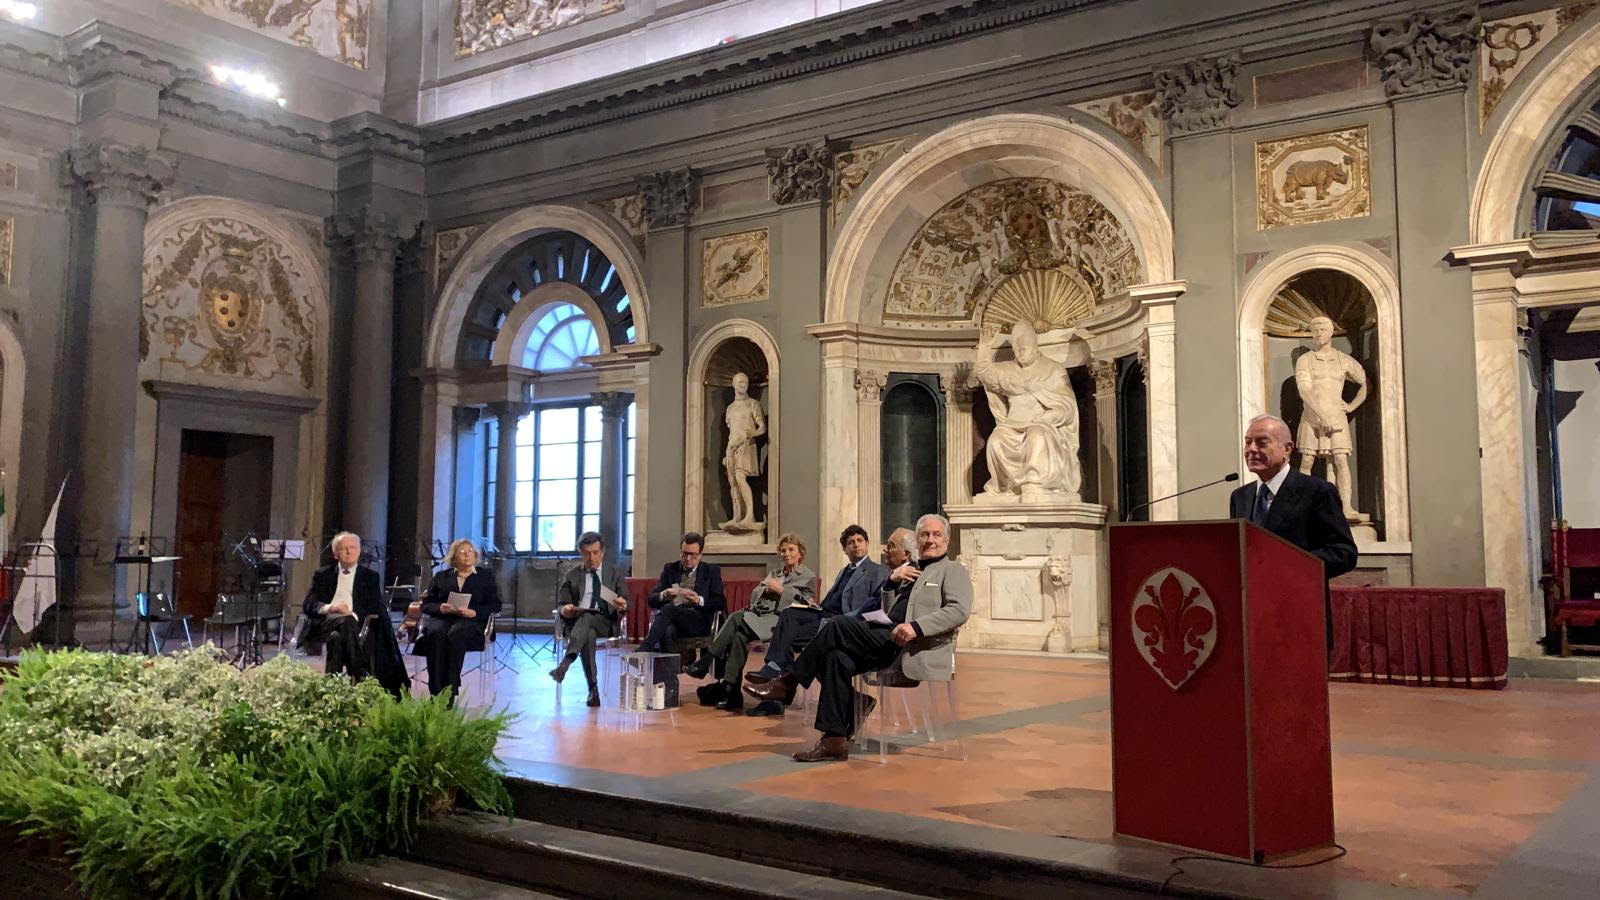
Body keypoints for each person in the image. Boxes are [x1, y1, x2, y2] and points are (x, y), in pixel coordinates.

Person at [746, 514, 971, 762]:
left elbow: (958, 610)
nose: (930, 540)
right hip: (884, 636)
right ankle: (833, 740)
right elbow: (887, 608)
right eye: (925, 535)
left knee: (838, 624)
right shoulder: (911, 570)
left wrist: (916, 627)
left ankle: (788, 683)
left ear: (946, 540)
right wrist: (891, 582)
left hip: (912, 644)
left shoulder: (952, 570)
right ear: (917, 540)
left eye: (936, 535)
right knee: (835, 657)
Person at [1230, 414, 1359, 647]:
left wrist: (1288, 565)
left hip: (1300, 621)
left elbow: (1343, 552)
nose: (1251, 449)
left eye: (1261, 442)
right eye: (1248, 442)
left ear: (1287, 448)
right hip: (1253, 623)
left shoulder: (1316, 491)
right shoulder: (1240, 496)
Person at [745, 524, 890, 688]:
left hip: (842, 621)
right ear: (845, 549)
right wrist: (813, 606)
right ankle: (775, 669)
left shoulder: (878, 570)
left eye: (860, 540)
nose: (856, 545)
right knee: (789, 613)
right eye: (851, 542)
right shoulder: (844, 571)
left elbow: (874, 605)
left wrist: (843, 619)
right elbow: (832, 599)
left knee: (787, 638)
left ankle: (779, 680)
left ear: (867, 543)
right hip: (823, 612)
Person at [685, 532, 814, 711]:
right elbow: (754, 594)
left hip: (781, 622)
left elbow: (806, 605)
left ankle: (709, 664)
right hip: (760, 616)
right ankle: (731, 689)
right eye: (783, 550)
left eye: (791, 550)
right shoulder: (774, 573)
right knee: (739, 635)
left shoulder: (808, 576)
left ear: (800, 553)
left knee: (736, 618)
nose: (786, 554)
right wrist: (765, 591)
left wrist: (781, 591)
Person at [973, 320, 1081, 499]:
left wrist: (1050, 417)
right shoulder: (1008, 370)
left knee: (1037, 436)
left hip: (1043, 424)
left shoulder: (1053, 369)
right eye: (1016, 350)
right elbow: (985, 374)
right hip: (1012, 424)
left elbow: (1067, 406)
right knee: (996, 440)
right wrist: (985, 346)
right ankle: (1007, 487)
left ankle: (1034, 483)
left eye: (1023, 349)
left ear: (1034, 346)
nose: (1020, 353)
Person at [300, 531, 410, 698]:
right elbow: (309, 604)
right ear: (335, 553)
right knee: (344, 621)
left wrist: (352, 615)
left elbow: (375, 606)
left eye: (352, 548)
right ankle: (359, 671)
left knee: (337, 638)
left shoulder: (370, 577)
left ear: (359, 551)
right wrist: (331, 608)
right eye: (343, 548)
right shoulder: (322, 575)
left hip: (356, 625)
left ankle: (330, 690)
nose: (348, 552)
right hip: (326, 622)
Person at [1294, 316, 1368, 519]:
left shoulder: (1343, 359)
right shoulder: (1305, 360)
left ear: (1331, 332)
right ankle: (1304, 506)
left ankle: (1345, 506)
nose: (1318, 334)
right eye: (1315, 330)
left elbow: (1365, 383)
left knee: (1340, 460)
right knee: (1307, 460)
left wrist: (1351, 405)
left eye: (1323, 330)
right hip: (1312, 417)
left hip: (1336, 416)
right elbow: (1305, 390)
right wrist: (1321, 415)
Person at [415, 538, 502, 707]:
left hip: (472, 621)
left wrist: (474, 612)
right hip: (444, 618)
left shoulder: (485, 577)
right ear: (454, 556)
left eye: (470, 551)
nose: (467, 554)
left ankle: (450, 689)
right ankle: (436, 689)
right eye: (462, 552)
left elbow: (495, 605)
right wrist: (440, 607)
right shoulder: (441, 576)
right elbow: (426, 604)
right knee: (436, 633)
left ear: (475, 555)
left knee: (456, 634)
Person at [550, 531, 629, 707]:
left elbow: (626, 601)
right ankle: (593, 690)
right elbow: (561, 604)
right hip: (579, 624)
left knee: (588, 619)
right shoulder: (572, 575)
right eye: (586, 554)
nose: (591, 558)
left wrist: (622, 604)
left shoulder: (614, 573)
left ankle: (566, 663)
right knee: (588, 633)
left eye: (595, 553)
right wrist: (565, 610)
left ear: (603, 552)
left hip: (605, 622)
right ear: (581, 553)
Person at [638, 532, 726, 654]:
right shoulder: (670, 569)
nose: (688, 559)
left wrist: (698, 600)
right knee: (667, 631)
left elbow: (720, 603)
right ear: (681, 552)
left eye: (692, 555)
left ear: (700, 555)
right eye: (685, 554)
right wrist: (664, 595)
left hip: (698, 620)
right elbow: (651, 600)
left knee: (668, 609)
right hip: (674, 619)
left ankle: (645, 648)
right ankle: (671, 667)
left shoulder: (711, 571)